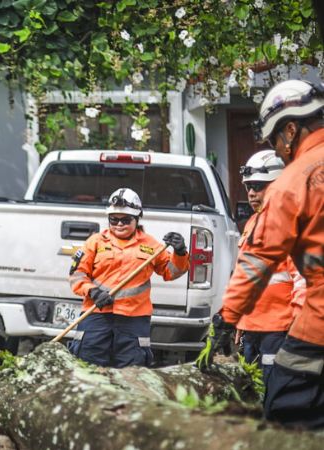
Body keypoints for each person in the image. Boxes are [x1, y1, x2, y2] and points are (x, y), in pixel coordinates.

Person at [201, 79, 324, 429]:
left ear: (291, 129)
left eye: (274, 140)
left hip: (318, 316)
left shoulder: (293, 181)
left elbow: (258, 262)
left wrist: (227, 317)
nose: (278, 149)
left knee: (288, 402)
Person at [68, 188, 189, 367]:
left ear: (137, 218)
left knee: (132, 373)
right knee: (86, 369)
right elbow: (77, 275)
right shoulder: (95, 242)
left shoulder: (151, 245)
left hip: (134, 319)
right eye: (113, 219)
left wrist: (180, 252)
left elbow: (171, 272)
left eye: (125, 220)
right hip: (97, 314)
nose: (119, 224)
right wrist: (92, 292)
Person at [232, 150, 306, 386]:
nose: (252, 192)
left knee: (276, 391)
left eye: (259, 186)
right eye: (249, 187)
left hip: (279, 329)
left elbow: (304, 280)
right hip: (252, 327)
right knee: (251, 391)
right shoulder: (253, 222)